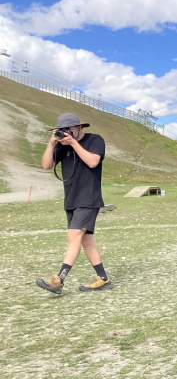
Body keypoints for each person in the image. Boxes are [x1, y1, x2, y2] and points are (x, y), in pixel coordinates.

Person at [35, 113, 112, 295]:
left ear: (80, 128)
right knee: (85, 240)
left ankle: (58, 280)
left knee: (74, 236)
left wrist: (73, 144)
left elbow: (93, 162)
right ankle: (103, 279)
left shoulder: (95, 140)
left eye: (69, 130)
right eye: (62, 130)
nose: (66, 133)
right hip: (71, 199)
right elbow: (46, 165)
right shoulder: (62, 145)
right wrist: (52, 143)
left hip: (88, 197)